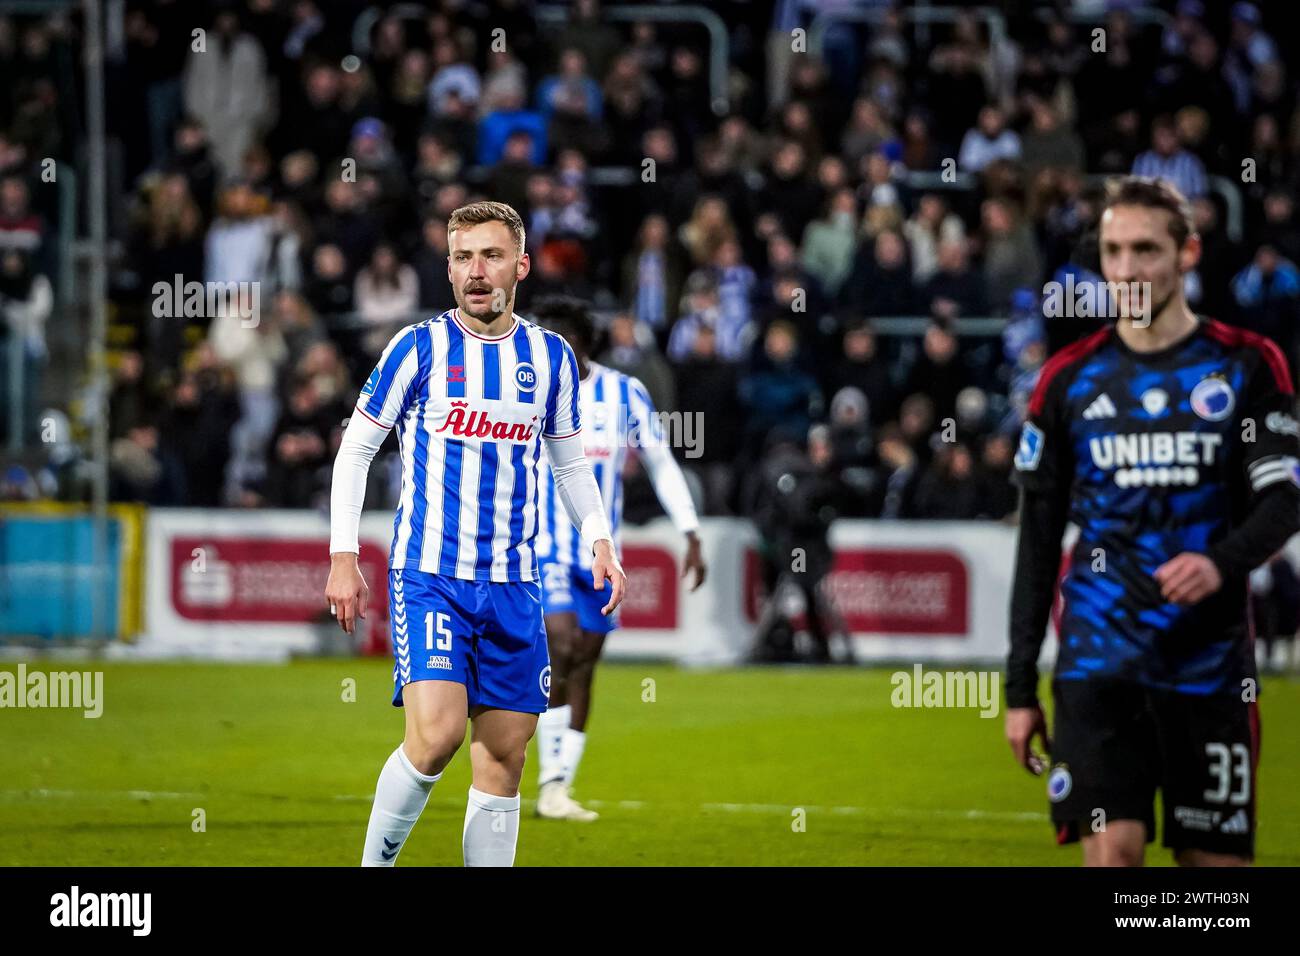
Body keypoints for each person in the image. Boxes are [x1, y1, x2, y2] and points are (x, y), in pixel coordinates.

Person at [1006, 176, 1300, 866]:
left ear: (1188, 253)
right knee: (1116, 857)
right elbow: (1038, 540)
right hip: (1098, 664)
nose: (1127, 270)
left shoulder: (1248, 365)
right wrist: (1019, 688)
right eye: (1113, 252)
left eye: (1145, 250)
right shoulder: (1068, 380)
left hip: (1209, 668)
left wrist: (1219, 562)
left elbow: (1285, 499)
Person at [325, 201, 626, 867]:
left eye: (490, 256)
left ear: (521, 266)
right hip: (432, 577)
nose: (476, 271)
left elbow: (571, 460)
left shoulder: (551, 358)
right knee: (434, 739)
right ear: (449, 269)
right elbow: (356, 451)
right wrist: (343, 555)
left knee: (505, 757)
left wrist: (601, 538)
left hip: (516, 589)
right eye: (463, 257)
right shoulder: (418, 348)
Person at [529, 295, 706, 820]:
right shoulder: (528, 391)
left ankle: (557, 786)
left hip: (603, 554)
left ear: (586, 343)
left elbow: (660, 461)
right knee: (558, 645)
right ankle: (540, 775)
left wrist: (691, 531)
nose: (555, 350)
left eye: (565, 340)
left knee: (584, 661)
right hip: (543, 547)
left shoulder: (624, 393)